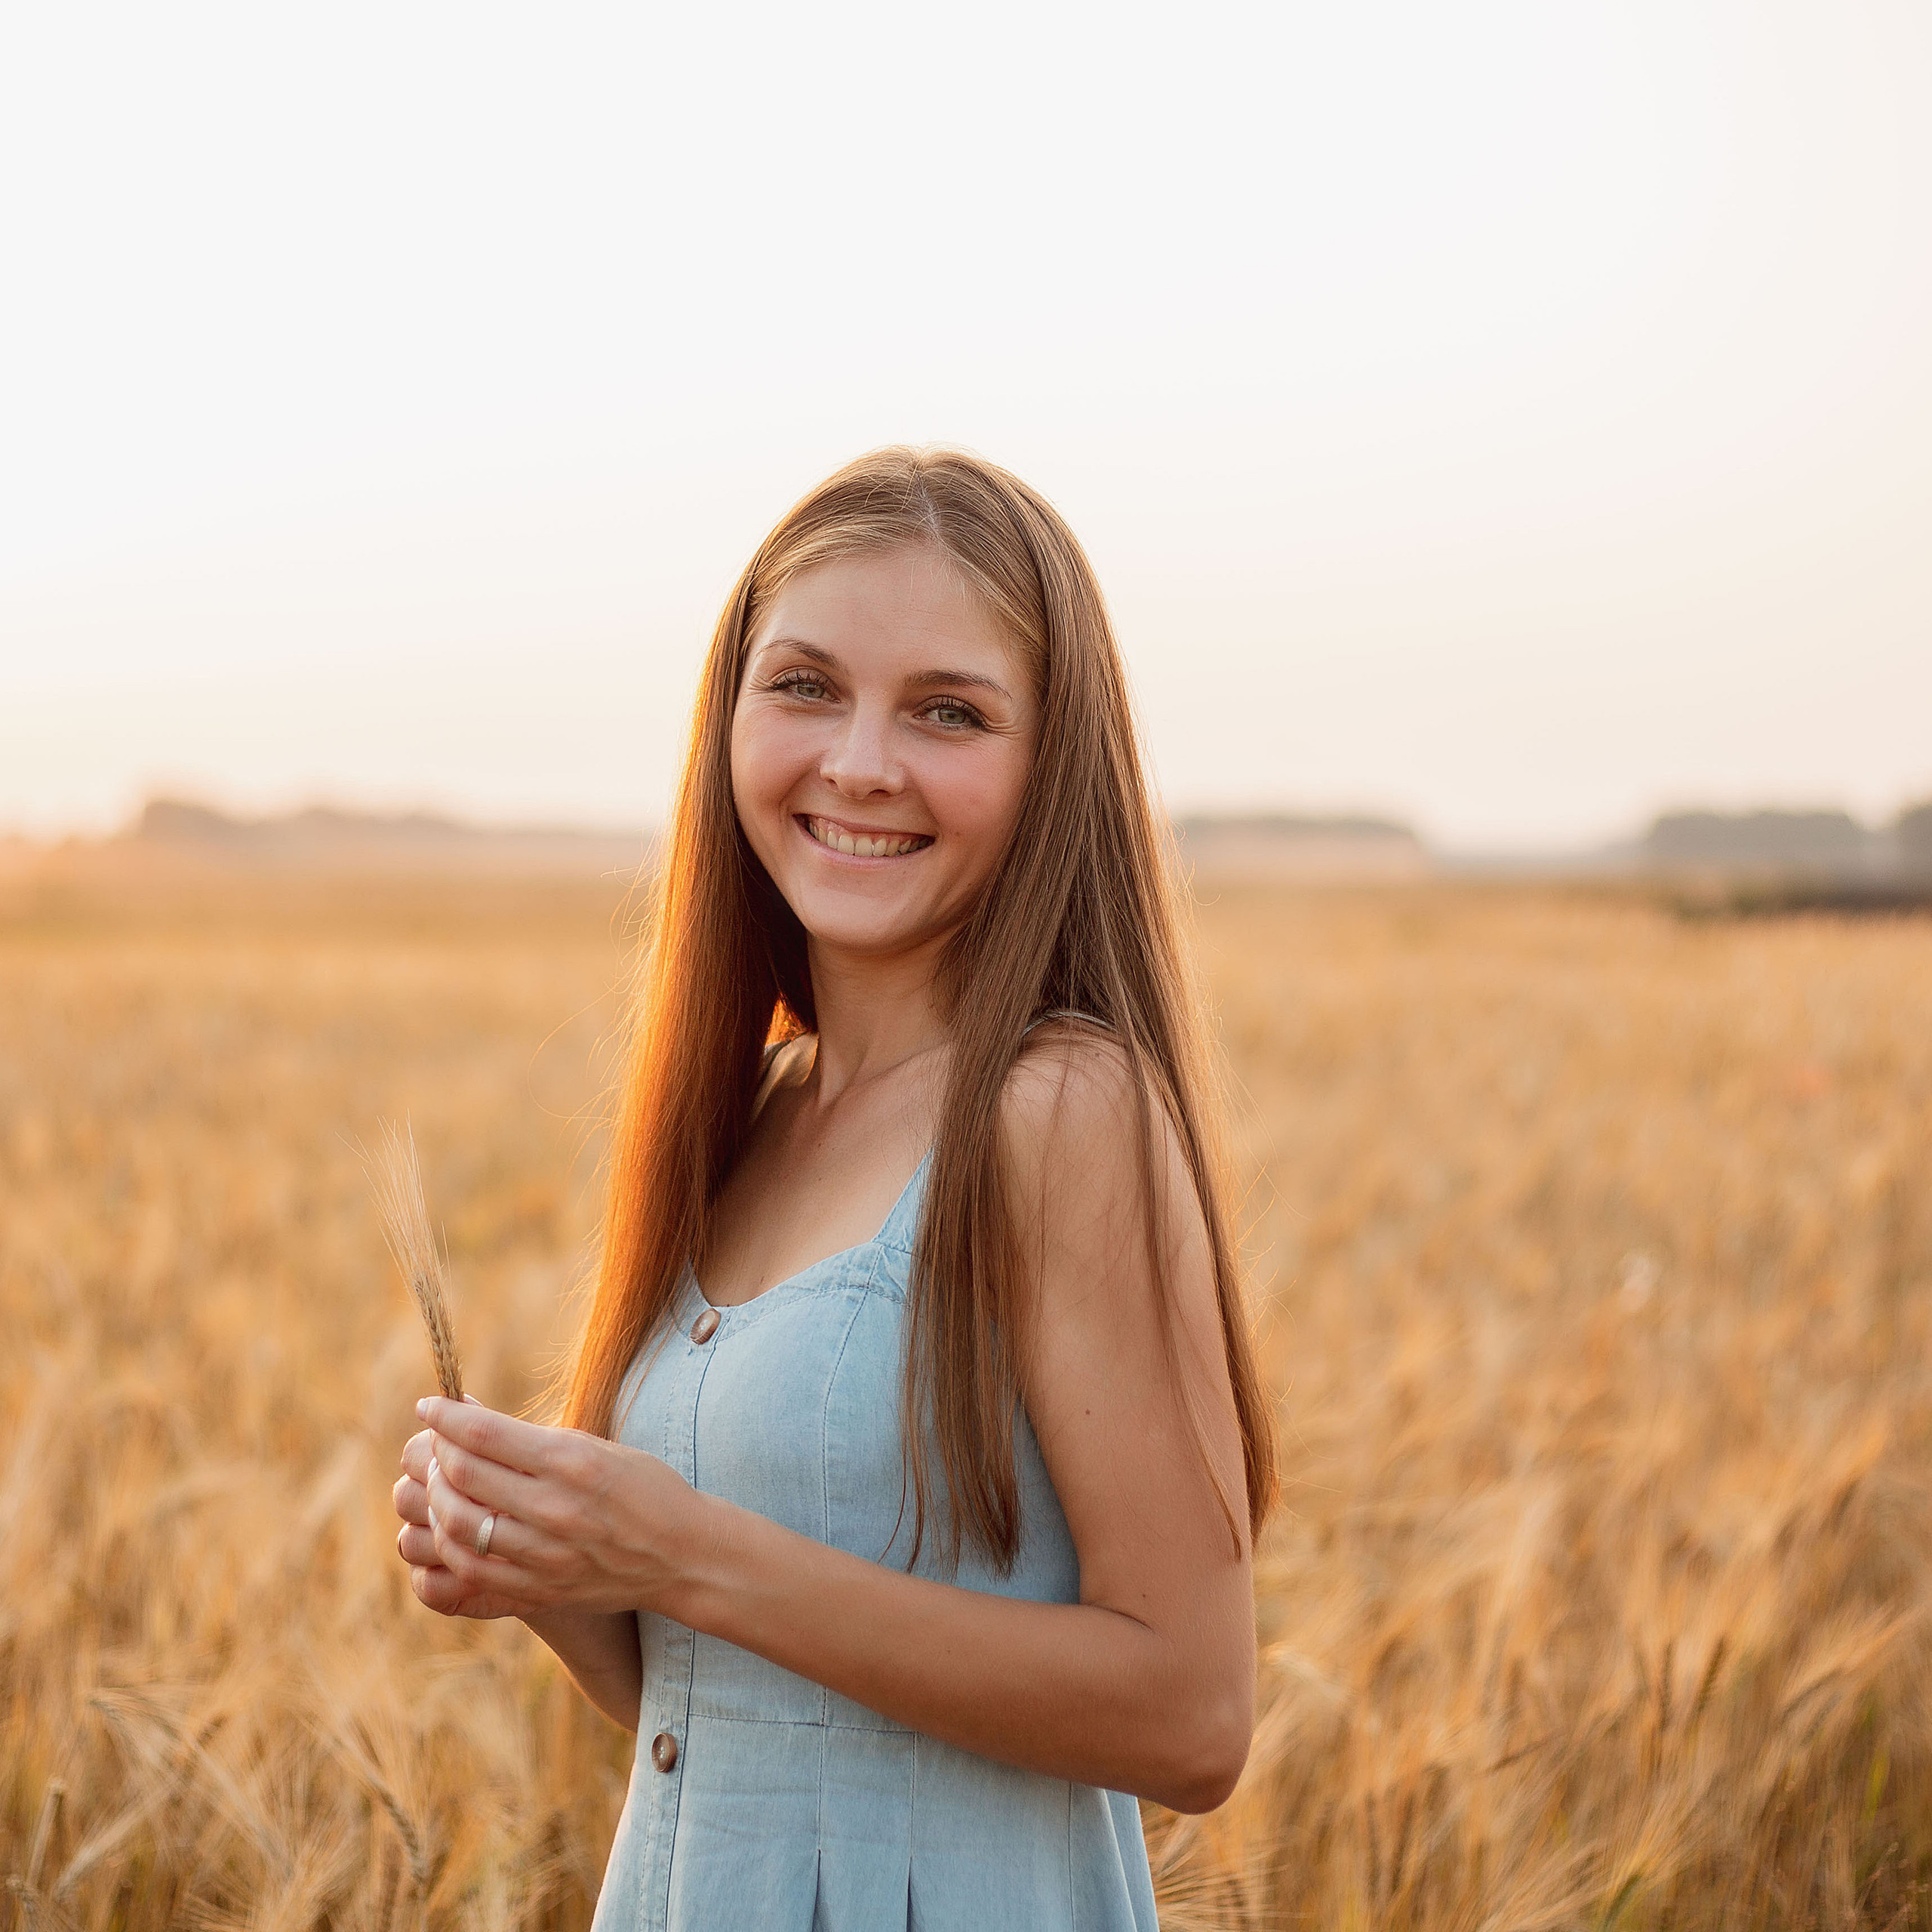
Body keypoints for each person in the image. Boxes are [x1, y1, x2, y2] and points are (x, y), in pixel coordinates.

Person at [392, 448, 1277, 1930]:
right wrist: (551, 1568)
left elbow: (1192, 1716)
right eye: (804, 686)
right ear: (728, 719)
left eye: (948, 711)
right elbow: (732, 1715)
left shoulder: (1058, 1113)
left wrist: (681, 1550)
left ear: (1051, 763)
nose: (861, 762)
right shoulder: (744, 1117)